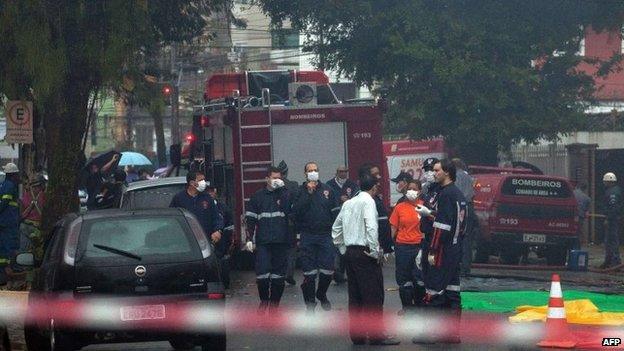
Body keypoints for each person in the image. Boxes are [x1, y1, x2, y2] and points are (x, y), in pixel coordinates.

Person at [332, 174, 400, 346]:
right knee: (373, 295)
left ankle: (357, 335)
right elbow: (371, 226)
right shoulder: (369, 202)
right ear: (374, 188)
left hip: (350, 253)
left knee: (355, 296)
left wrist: (342, 248)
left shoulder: (347, 203)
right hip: (365, 253)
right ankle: (377, 335)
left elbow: (335, 228)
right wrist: (375, 251)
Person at [414, 159, 467, 344]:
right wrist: (429, 213)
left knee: (433, 290)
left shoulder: (445, 194)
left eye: (437, 170)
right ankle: (452, 334)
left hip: (442, 250)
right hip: (455, 249)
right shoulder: (458, 194)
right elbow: (456, 223)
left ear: (447, 172)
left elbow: (442, 226)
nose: (434, 173)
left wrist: (432, 250)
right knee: (452, 291)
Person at [293, 162, 340, 311]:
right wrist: (309, 193)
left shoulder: (328, 190)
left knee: (327, 270)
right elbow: (296, 213)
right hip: (307, 235)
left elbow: (336, 213)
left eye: (315, 170)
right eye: (310, 170)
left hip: (325, 235)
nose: (313, 172)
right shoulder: (299, 191)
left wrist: (337, 234)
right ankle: (310, 304)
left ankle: (321, 293)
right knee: (309, 273)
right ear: (305, 174)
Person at [245, 166, 291, 312]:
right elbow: (250, 219)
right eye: (274, 177)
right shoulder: (258, 197)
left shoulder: (285, 195)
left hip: (281, 242)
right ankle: (264, 300)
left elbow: (291, 210)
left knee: (278, 277)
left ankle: (274, 305)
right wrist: (249, 239)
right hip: (263, 242)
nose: (276, 180)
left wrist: (283, 191)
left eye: (279, 178)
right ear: (267, 179)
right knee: (262, 275)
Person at [389, 179, 426, 315]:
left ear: (420, 191)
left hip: (419, 247)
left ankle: (420, 306)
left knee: (419, 279)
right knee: (404, 280)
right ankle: (407, 307)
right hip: (402, 247)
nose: (411, 191)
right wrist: (387, 246)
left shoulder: (424, 207)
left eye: (414, 189)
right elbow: (393, 227)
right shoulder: (399, 207)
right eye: (409, 188)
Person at [170, 170, 223, 244]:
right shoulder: (179, 198)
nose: (204, 183)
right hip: (185, 241)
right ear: (192, 183)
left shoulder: (207, 198)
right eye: (201, 180)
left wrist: (218, 231)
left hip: (206, 240)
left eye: (204, 180)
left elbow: (216, 217)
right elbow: (172, 219)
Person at [326, 165, 358, 284]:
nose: (343, 173)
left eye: (345, 171)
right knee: (334, 247)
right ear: (336, 172)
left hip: (348, 221)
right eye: (340, 171)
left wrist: (349, 201)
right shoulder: (329, 185)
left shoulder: (352, 185)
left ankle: (341, 271)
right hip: (333, 220)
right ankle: (336, 271)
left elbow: (357, 199)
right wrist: (339, 199)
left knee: (345, 248)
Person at [358, 163, 394, 255]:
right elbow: (369, 225)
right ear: (366, 177)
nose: (378, 177)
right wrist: (375, 246)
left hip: (379, 244)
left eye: (378, 174)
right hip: (369, 247)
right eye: (375, 174)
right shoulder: (361, 198)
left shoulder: (375, 196)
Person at [451, 158, 476, 276]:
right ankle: (466, 268)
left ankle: (455, 266)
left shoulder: (454, 177)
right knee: (467, 239)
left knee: (455, 236)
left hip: (459, 208)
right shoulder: (468, 177)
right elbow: (472, 193)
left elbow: (455, 193)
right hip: (469, 207)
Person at [277, 160, 299, 286]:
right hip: (290, 223)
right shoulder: (294, 185)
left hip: (276, 223)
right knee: (291, 249)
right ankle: (289, 274)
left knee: (280, 249)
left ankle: (279, 273)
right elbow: (296, 204)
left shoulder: (272, 186)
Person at [207, 184, 233, 289]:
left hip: (221, 241)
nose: (209, 194)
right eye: (207, 192)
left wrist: (228, 239)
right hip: (205, 239)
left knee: (222, 262)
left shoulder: (223, 208)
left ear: (215, 191)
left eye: (211, 191)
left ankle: (223, 283)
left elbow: (229, 224)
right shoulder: (201, 206)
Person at [0, 163, 20, 284]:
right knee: (9, 246)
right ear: (12, 175)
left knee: (3, 246)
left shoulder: (3, 185)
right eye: (17, 175)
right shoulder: (10, 186)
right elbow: (5, 203)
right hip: (8, 221)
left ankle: (3, 269)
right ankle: (7, 269)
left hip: (5, 221)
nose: (18, 177)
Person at [19, 173, 47, 258]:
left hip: (30, 227)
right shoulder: (44, 196)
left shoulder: (27, 196)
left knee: (25, 253)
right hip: (33, 228)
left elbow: (22, 215)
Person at [601, 172, 622, 269]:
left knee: (612, 240)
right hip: (614, 219)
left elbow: (613, 207)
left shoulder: (612, 192)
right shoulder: (616, 190)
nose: (604, 183)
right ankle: (609, 260)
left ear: (609, 181)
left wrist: (608, 219)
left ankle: (614, 261)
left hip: (612, 220)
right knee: (610, 240)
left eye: (605, 181)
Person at [573, 182, 591, 247]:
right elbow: (587, 212)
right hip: (580, 217)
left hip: (570, 216)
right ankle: (579, 245)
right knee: (579, 231)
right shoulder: (587, 199)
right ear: (585, 189)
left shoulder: (572, 193)